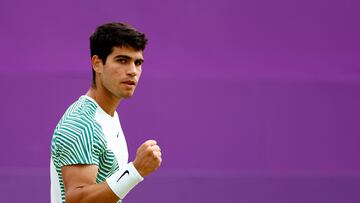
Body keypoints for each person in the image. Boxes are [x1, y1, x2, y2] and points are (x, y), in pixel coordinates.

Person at [50, 22, 162, 203]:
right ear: (97, 64)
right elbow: (77, 199)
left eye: (138, 62)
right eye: (122, 60)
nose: (133, 71)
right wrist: (135, 171)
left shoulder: (107, 116)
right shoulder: (81, 124)